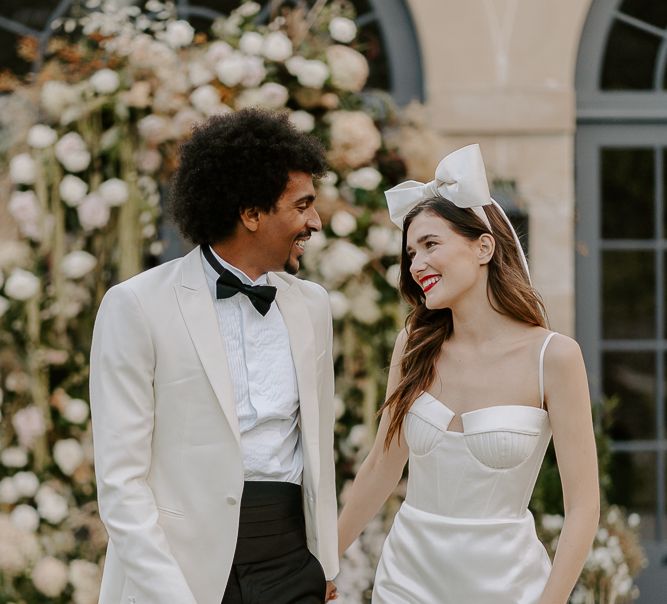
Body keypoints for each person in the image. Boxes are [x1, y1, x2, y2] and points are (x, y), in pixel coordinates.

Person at [90, 109, 339, 604]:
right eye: (302, 204)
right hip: (180, 572)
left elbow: (316, 447)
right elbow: (121, 481)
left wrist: (325, 562)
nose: (316, 220)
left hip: (291, 560)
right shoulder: (136, 305)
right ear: (251, 213)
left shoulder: (313, 306)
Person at [337, 144, 600, 603]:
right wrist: (324, 562)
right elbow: (381, 465)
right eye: (411, 251)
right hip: (407, 582)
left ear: (483, 246)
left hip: (508, 586)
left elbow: (582, 506)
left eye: (430, 245)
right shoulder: (414, 346)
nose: (416, 265)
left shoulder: (554, 357)